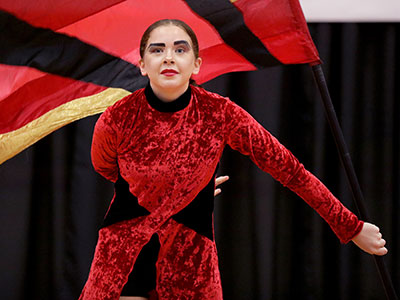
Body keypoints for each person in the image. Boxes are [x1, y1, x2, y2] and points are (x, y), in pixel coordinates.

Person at [79, 19, 387, 300]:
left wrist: (351, 226)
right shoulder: (117, 118)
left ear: (196, 64)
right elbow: (105, 166)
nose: (169, 57)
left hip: (190, 260)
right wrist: (171, 192)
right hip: (122, 259)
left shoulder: (220, 113)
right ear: (143, 64)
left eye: (180, 49)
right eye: (157, 50)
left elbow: (290, 171)